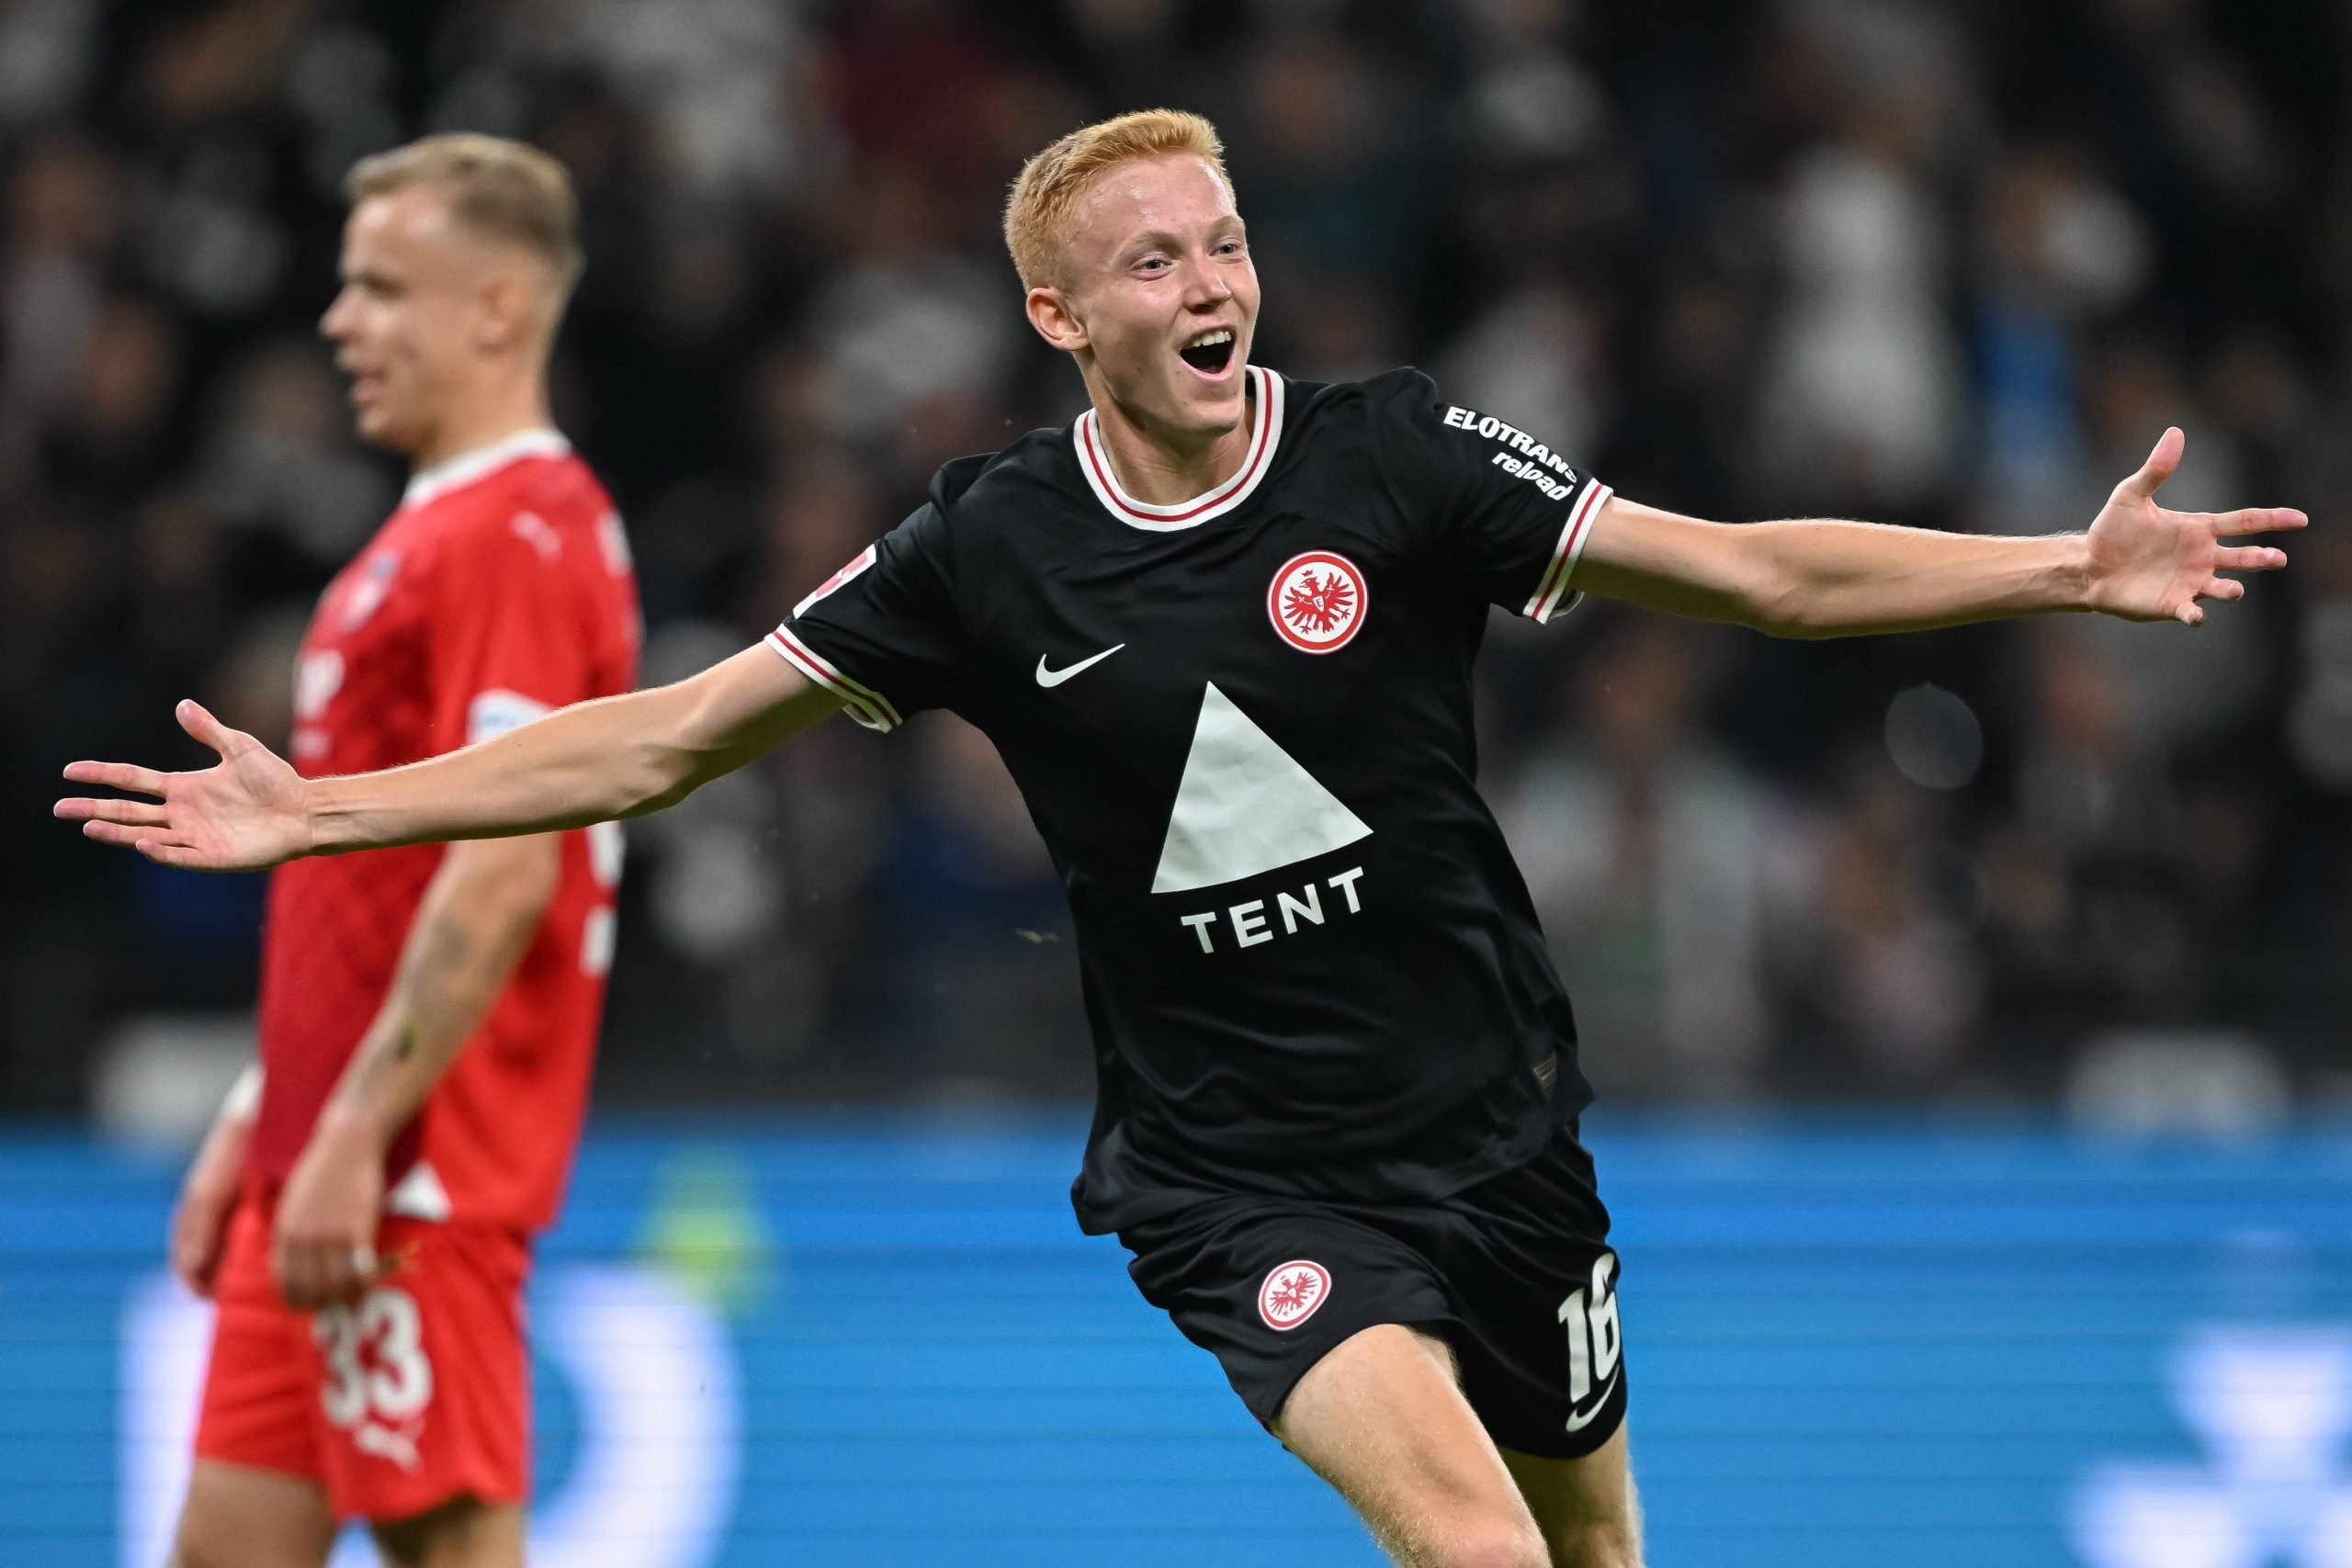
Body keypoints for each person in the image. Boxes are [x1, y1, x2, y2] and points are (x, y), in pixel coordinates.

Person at [61, 111, 2297, 1568]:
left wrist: (2058, 566)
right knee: (1474, 1548)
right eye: (1147, 260)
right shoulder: (981, 549)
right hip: (1243, 1180)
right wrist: (321, 808)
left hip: (1500, 1128)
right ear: (1058, 315)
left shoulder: (1394, 456)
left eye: (1221, 241)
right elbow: (663, 739)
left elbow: (1758, 574)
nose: (1207, 279)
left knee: (1590, 1550)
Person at [138, 135, 639, 1568]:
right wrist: (268, 1112)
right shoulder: (419, 541)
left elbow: (503, 866)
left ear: (496, 308)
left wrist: (356, 1129)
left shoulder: (526, 529)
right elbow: (363, 881)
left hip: (417, 1168)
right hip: (325, 1148)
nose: (338, 320)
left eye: (380, 287)